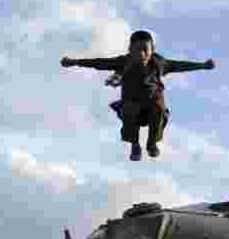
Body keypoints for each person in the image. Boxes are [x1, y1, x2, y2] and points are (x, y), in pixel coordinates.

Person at [61, 30, 216, 160]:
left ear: (152, 50)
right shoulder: (124, 62)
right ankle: (135, 145)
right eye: (137, 51)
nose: (141, 55)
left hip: (152, 105)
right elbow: (100, 62)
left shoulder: (159, 63)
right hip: (133, 105)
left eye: (145, 50)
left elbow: (180, 65)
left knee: (158, 108)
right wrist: (75, 62)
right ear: (130, 50)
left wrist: (202, 65)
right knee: (128, 109)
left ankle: (152, 143)